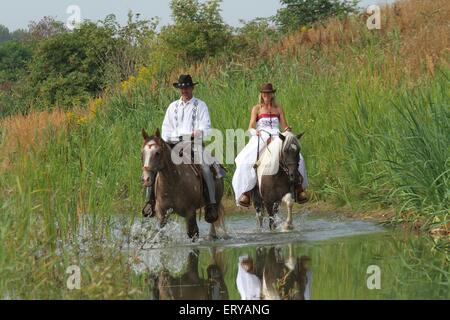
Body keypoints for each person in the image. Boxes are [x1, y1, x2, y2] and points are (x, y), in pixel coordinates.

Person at [143, 74, 221, 219]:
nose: (184, 90)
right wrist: (168, 140)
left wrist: (198, 132)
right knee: (153, 164)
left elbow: (207, 127)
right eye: (182, 88)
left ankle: (211, 203)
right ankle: (150, 202)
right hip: (172, 144)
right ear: (179, 89)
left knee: (205, 166)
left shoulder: (200, 105)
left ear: (192, 88)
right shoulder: (172, 107)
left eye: (187, 88)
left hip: (193, 143)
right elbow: (165, 128)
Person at [232, 83, 309, 208]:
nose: (266, 95)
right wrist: (254, 132)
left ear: (272, 94)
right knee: (245, 160)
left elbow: (284, 126)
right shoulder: (256, 108)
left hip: (277, 136)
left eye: (268, 93)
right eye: (264, 93)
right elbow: (251, 126)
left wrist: (287, 129)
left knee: (298, 157)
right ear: (261, 94)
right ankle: (247, 192)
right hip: (261, 135)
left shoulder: (278, 108)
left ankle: (299, 188)